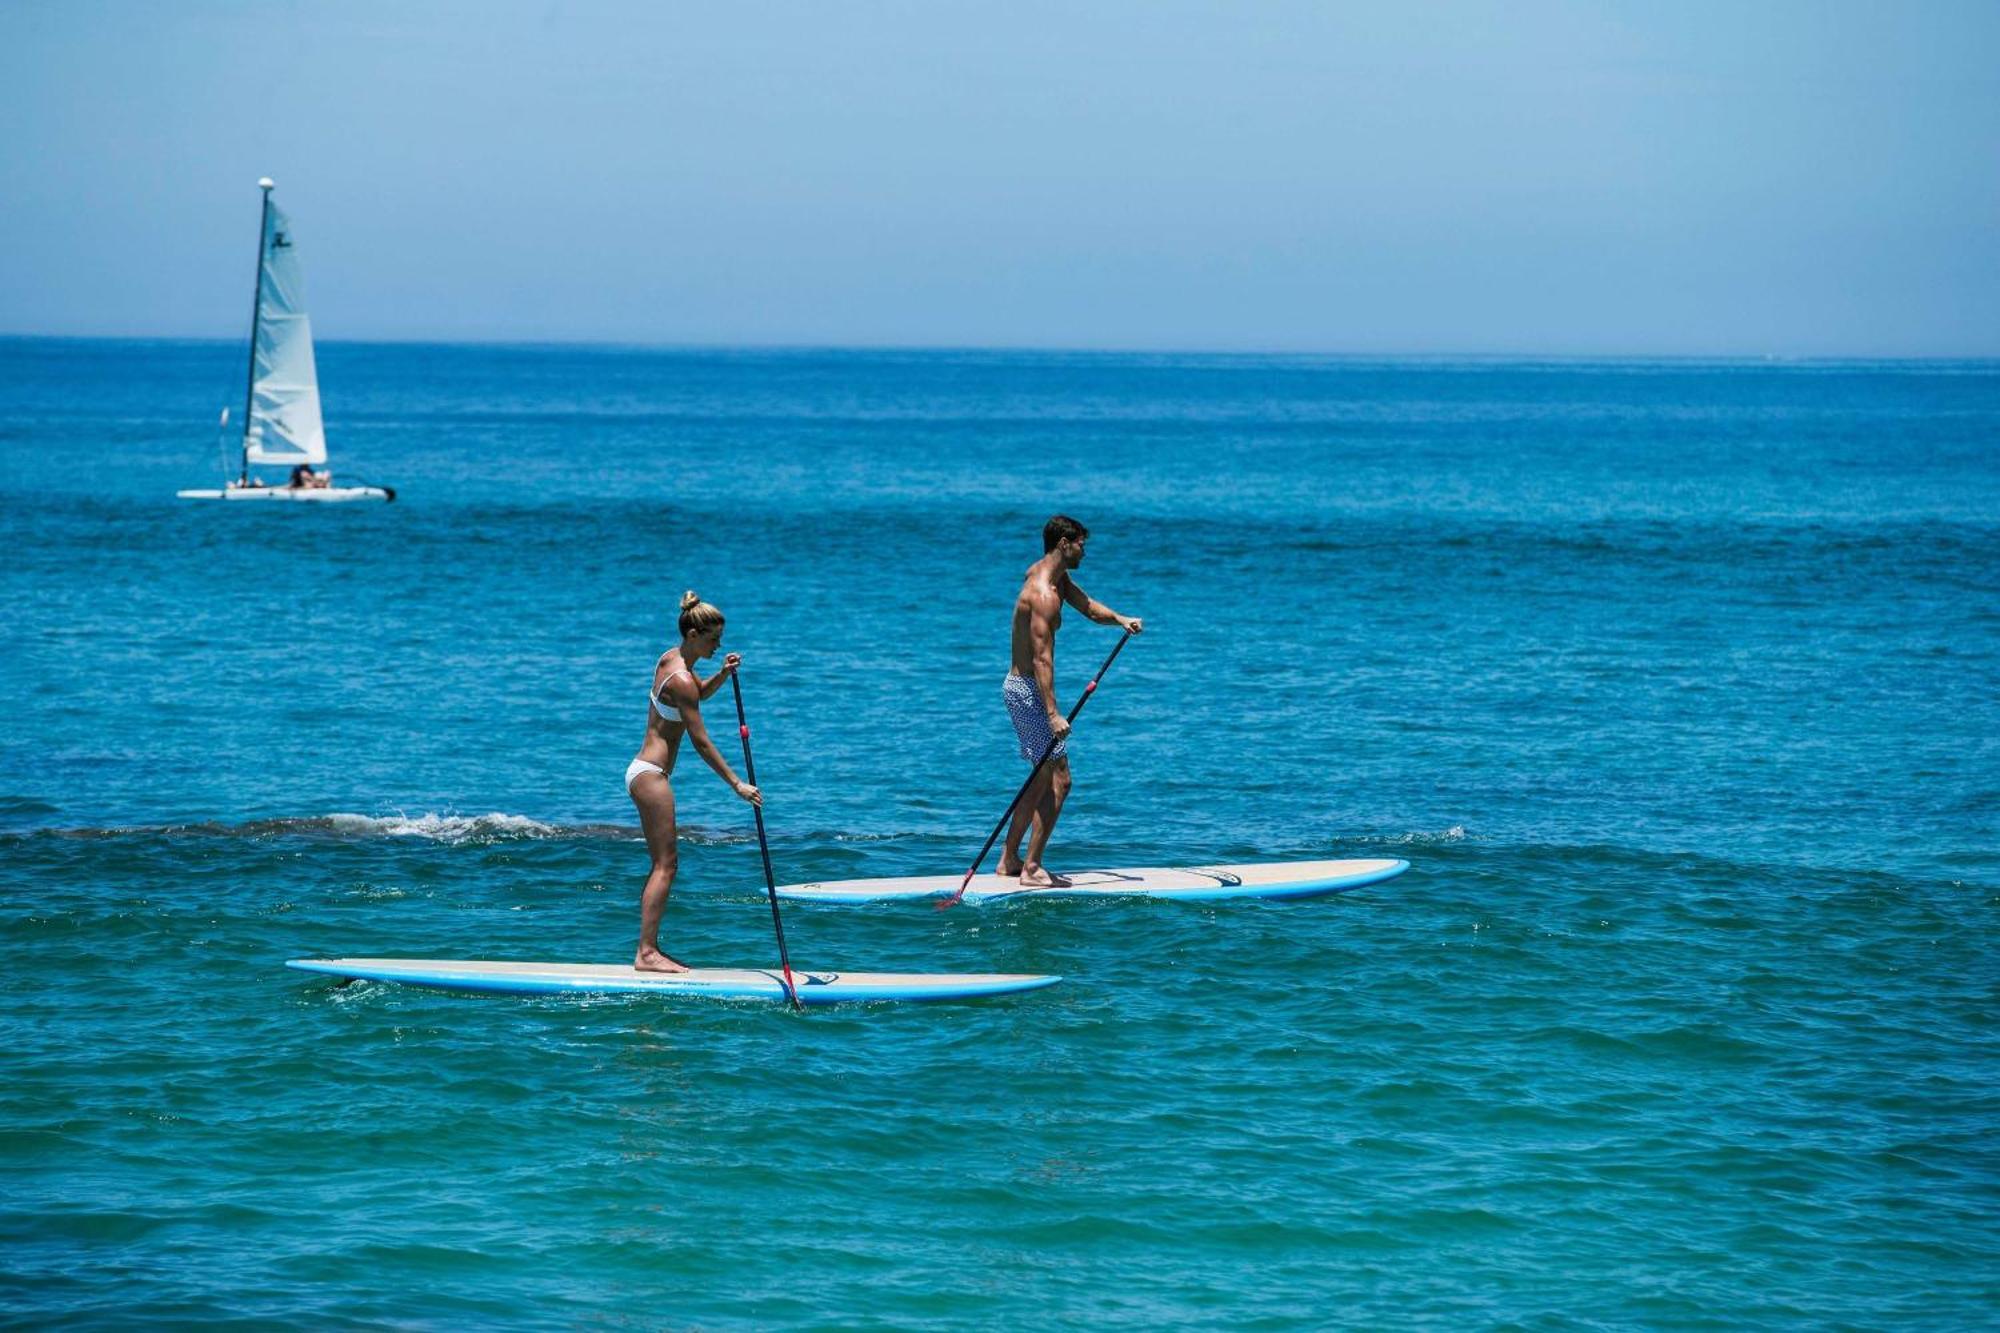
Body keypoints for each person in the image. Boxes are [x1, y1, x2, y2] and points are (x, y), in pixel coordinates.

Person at [1000, 515, 1142, 887]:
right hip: (1029, 693)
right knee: (1060, 780)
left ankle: (1009, 859)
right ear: (1064, 543)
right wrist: (1052, 714)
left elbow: (1088, 606)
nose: (1085, 550)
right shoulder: (1043, 594)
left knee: (1040, 778)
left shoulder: (1051, 576)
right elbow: (1041, 658)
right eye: (1081, 543)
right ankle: (1031, 869)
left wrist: (1119, 619)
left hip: (1023, 690)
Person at [625, 590, 762, 971]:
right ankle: (647, 953)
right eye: (713, 639)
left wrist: (722, 674)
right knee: (666, 866)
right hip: (652, 776)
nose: (718, 644)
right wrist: (737, 784)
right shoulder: (681, 678)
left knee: (662, 864)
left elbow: (696, 693)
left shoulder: (671, 659)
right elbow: (700, 741)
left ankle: (647, 949)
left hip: (643, 772)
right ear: (692, 635)